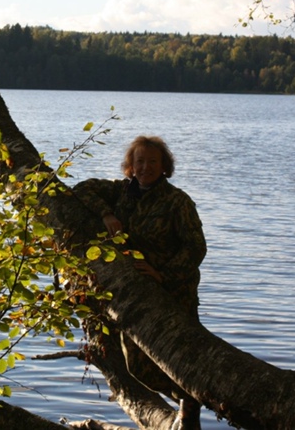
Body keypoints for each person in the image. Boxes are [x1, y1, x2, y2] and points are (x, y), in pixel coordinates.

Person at [73, 135, 206, 429]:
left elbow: (196, 248)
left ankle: (189, 410)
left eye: (152, 161)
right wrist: (106, 213)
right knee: (137, 366)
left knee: (180, 357)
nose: (146, 167)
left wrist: (163, 274)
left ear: (164, 166)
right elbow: (81, 189)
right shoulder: (122, 192)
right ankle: (187, 399)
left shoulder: (177, 201)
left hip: (175, 290)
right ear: (131, 166)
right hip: (137, 290)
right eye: (140, 161)